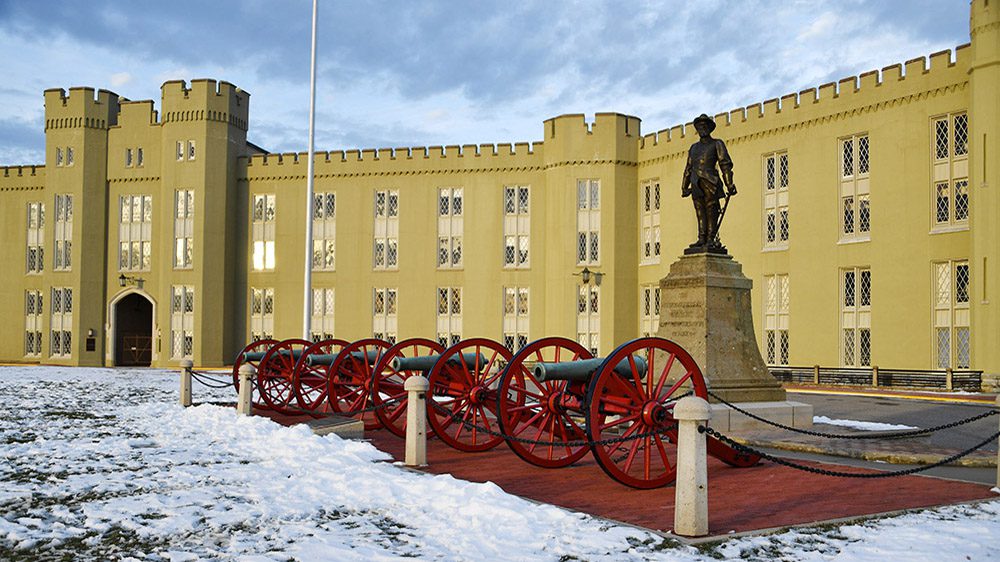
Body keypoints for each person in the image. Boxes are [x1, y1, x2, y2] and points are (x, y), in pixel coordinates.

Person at [681, 114, 737, 253]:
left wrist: (729, 183)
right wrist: (684, 186)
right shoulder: (693, 148)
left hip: (710, 181)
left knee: (711, 210)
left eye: (705, 126)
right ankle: (702, 238)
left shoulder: (717, 143)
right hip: (695, 182)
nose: (702, 128)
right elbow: (688, 168)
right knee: (700, 211)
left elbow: (725, 164)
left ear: (709, 128)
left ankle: (711, 238)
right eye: (700, 126)